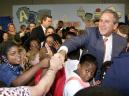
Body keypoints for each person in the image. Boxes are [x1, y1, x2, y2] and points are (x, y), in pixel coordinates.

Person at [57, 9, 127, 81]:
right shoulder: (90, 33)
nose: (102, 24)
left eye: (107, 21)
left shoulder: (122, 42)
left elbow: (121, 64)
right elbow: (74, 41)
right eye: (101, 20)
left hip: (110, 80)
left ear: (115, 26)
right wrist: (63, 51)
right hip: (88, 80)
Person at [0, 53, 64, 96]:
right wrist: (48, 67)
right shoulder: (4, 69)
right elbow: (39, 90)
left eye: (18, 52)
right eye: (13, 53)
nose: (18, 55)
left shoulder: (18, 67)